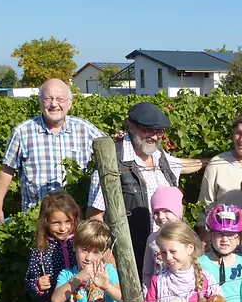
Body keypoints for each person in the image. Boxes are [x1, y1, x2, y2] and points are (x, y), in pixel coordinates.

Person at [87, 102, 206, 279]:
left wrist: (222, 160)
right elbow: (94, 217)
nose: (155, 136)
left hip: (165, 256)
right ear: (131, 127)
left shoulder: (160, 156)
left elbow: (184, 165)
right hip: (131, 256)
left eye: (160, 131)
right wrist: (108, 256)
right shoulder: (111, 162)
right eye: (148, 130)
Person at [0, 79, 106, 224]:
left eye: (60, 99)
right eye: (48, 99)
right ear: (40, 101)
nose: (54, 104)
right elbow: (7, 170)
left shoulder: (85, 129)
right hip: (37, 219)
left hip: (77, 218)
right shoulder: (22, 132)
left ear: (69, 103)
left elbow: (109, 152)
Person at [141, 186, 184, 294]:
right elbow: (147, 271)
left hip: (184, 292)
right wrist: (146, 294)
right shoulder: (152, 239)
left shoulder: (187, 237)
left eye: (166, 211)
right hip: (159, 294)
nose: (161, 216)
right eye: (156, 212)